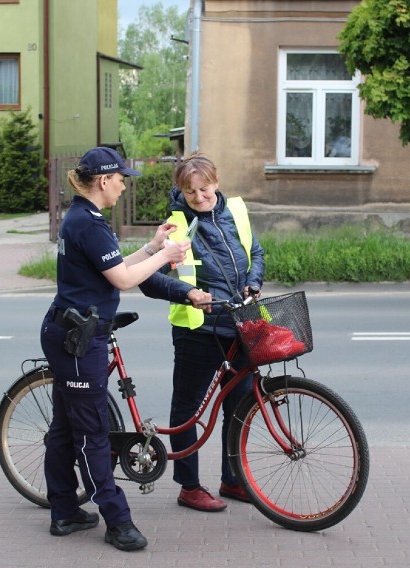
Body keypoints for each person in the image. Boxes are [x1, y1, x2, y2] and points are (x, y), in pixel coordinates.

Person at [40, 147, 189, 551]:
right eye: (121, 178)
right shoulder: (87, 223)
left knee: (66, 426)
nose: (124, 185)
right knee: (92, 433)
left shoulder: (85, 218)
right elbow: (123, 281)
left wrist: (152, 247)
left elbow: (114, 268)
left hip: (73, 333)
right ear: (104, 180)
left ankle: (64, 511)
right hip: (77, 340)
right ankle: (118, 521)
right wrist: (165, 256)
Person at [139, 153, 265, 512]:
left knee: (239, 407)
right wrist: (188, 293)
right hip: (197, 329)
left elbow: (255, 252)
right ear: (181, 190)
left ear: (217, 181)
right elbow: (151, 278)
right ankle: (189, 486)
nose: (198, 197)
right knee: (187, 409)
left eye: (204, 189)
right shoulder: (175, 225)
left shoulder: (236, 211)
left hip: (241, 324)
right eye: (190, 191)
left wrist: (254, 283)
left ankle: (232, 479)